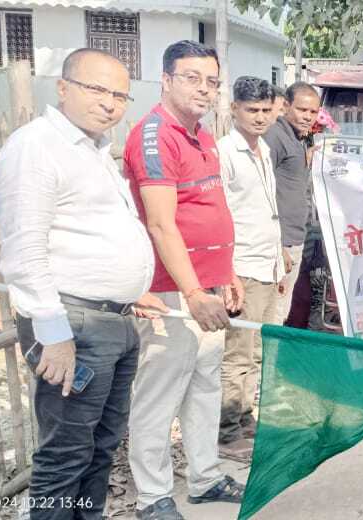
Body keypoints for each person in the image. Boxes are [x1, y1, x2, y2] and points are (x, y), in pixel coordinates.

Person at [0, 48, 165, 520]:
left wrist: (127, 290)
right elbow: (24, 251)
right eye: (96, 89)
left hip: (110, 322)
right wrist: (53, 334)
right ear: (63, 87)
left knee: (101, 445)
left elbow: (85, 234)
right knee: (65, 455)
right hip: (72, 327)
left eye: (120, 95)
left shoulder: (93, 149)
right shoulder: (36, 147)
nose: (109, 103)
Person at [124, 40, 245, 520]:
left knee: (204, 386)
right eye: (191, 78)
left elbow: (208, 210)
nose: (203, 89)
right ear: (166, 80)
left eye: (211, 81)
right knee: (159, 394)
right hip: (172, 293)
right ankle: (152, 496)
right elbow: (160, 224)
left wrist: (225, 273)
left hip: (206, 289)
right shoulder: (155, 137)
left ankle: (205, 477)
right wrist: (193, 291)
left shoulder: (202, 135)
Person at [216, 76, 284, 460]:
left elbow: (264, 209)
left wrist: (279, 258)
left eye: (265, 110)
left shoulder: (264, 150)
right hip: (242, 267)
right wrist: (227, 273)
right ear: (234, 109)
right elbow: (220, 215)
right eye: (251, 110)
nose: (260, 117)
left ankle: (244, 418)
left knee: (257, 351)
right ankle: (226, 433)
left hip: (267, 264)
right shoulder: (225, 152)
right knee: (238, 355)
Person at [264, 81, 321, 325]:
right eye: (302, 109)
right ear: (286, 106)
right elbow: (262, 191)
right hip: (281, 242)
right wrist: (277, 245)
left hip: (294, 239)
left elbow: (289, 181)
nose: (308, 116)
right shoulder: (275, 137)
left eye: (313, 111)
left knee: (281, 309)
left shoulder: (296, 139)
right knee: (274, 313)